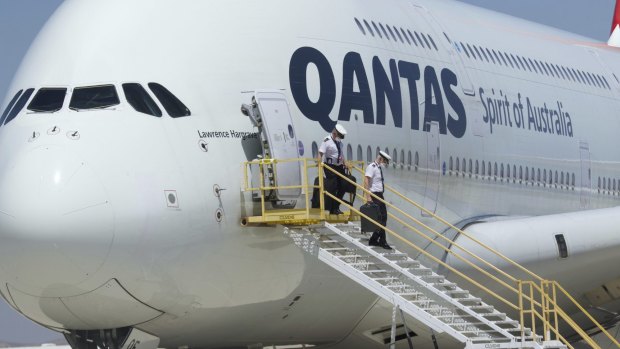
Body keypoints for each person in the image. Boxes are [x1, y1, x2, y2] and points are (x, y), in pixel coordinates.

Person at [364, 151, 392, 249]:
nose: (384, 163)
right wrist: (368, 196)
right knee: (381, 218)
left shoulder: (378, 167)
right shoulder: (371, 167)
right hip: (374, 195)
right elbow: (366, 180)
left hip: (379, 195)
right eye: (384, 161)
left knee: (383, 217)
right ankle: (382, 241)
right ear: (380, 159)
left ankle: (374, 239)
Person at [318, 124, 347, 215]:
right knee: (332, 187)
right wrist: (319, 165)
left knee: (343, 186)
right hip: (330, 167)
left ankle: (336, 207)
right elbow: (320, 153)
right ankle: (331, 209)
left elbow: (341, 155)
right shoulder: (327, 141)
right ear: (335, 133)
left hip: (339, 167)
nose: (341, 138)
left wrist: (345, 163)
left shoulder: (339, 143)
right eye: (340, 136)